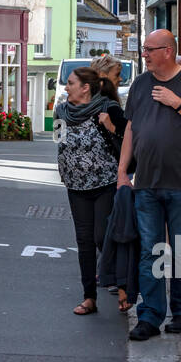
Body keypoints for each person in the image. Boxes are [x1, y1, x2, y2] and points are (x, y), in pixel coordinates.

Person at [118, 29, 181, 340]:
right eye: (144, 48)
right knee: (150, 252)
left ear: (168, 51)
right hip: (146, 182)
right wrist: (123, 171)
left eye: (150, 49)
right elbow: (131, 130)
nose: (144, 54)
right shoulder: (140, 83)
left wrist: (177, 103)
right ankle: (149, 317)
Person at [55, 67, 126, 315]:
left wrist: (111, 128)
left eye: (71, 83)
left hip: (105, 184)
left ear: (85, 87)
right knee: (83, 241)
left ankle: (122, 284)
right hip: (75, 187)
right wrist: (64, 172)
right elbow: (59, 144)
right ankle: (89, 297)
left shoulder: (108, 109)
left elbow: (130, 138)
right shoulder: (61, 111)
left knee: (102, 235)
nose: (66, 88)